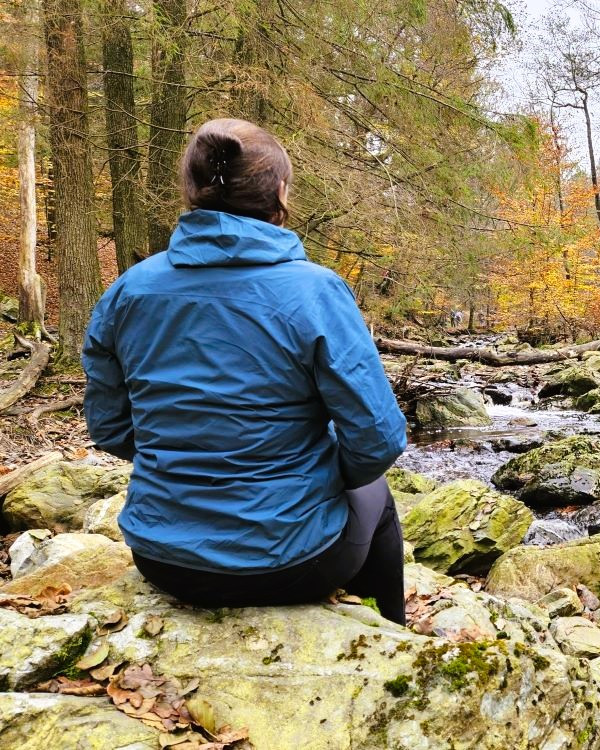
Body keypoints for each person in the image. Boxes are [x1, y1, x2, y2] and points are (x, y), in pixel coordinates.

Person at [82, 119, 409, 623]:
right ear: (279, 190)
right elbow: (378, 437)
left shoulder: (129, 291)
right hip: (291, 563)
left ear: (191, 191)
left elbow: (110, 428)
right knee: (375, 494)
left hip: (162, 559)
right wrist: (321, 477)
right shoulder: (316, 291)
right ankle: (390, 637)